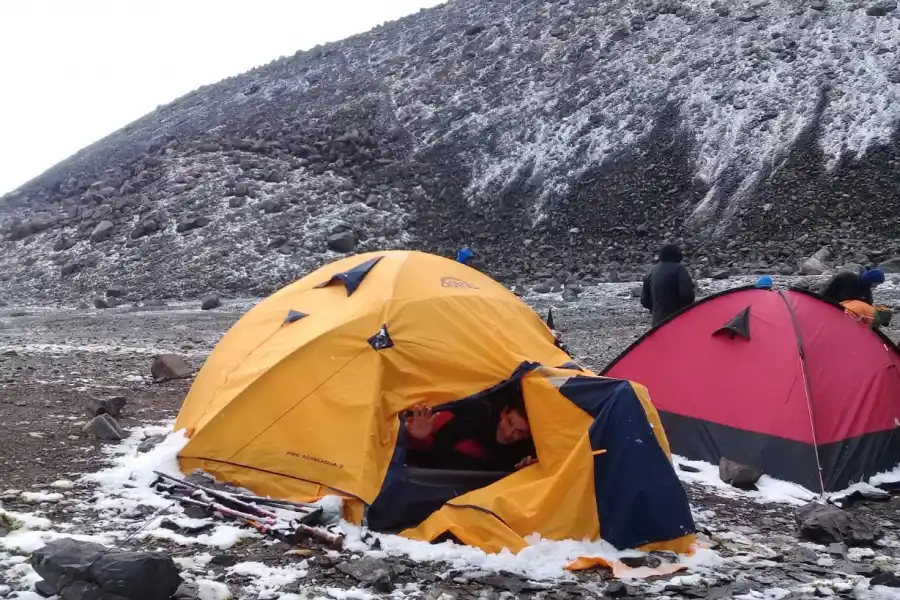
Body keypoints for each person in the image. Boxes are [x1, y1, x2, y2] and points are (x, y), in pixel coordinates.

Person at [403, 390, 537, 472]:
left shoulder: (524, 456)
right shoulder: (468, 418)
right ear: (503, 412)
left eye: (520, 432)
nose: (509, 434)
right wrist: (417, 438)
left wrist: (522, 474)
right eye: (510, 423)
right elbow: (418, 452)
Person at [640, 244, 696, 327]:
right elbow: (687, 295)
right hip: (678, 320)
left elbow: (644, 300)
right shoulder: (679, 269)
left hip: (657, 323)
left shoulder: (651, 271)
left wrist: (656, 311)